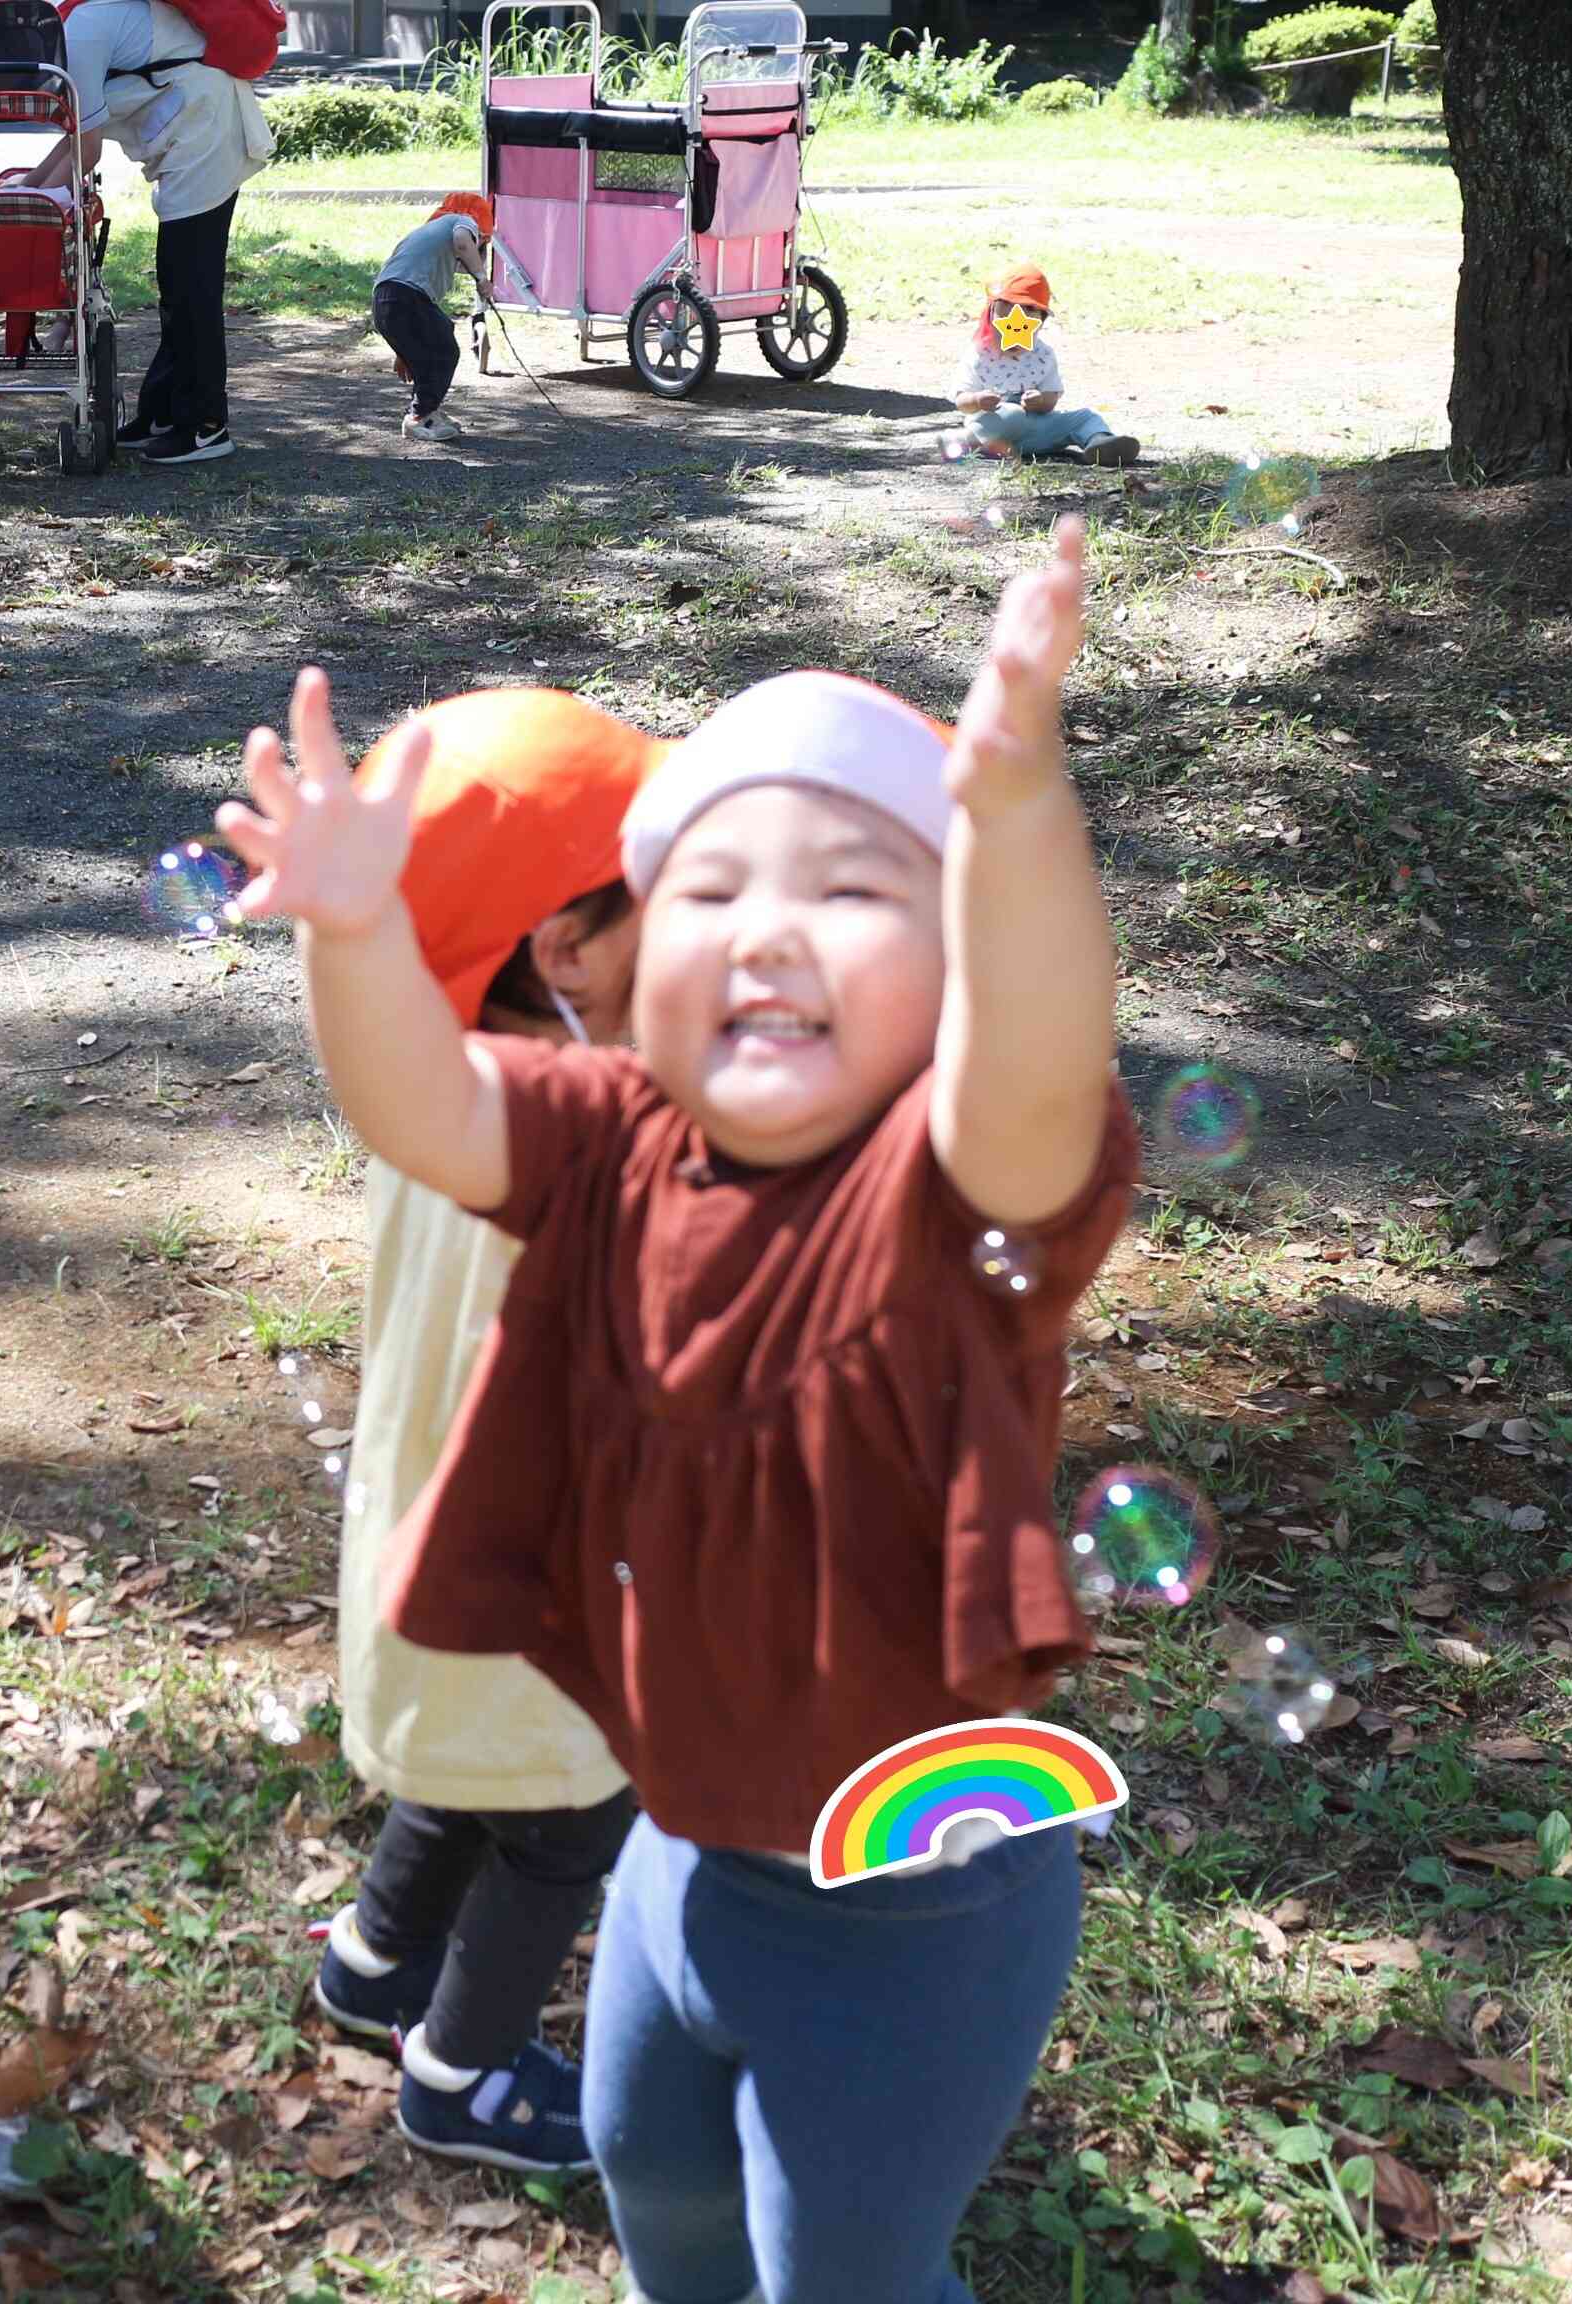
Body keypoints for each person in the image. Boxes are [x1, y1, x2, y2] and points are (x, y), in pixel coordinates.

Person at [215, 517, 1135, 2304]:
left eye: (850, 894)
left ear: (941, 986)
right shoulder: (624, 1139)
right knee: (661, 2190)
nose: (765, 930)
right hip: (686, 1857)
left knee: (840, 2269)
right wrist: (351, 930)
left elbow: (1036, 1061)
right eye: (709, 889)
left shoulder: (949, 1197)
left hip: (913, 1898)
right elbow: (426, 1107)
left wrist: (1014, 813)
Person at [306, 688, 655, 2175]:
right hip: (546, 1583)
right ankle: (464, 2071)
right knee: (568, 1824)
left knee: (471, 1774)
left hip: (427, 1544)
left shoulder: (443, 1096)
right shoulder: (604, 1135)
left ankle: (374, 1965)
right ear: (567, 952)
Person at [29, 0, 273, 466]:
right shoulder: (80, 27)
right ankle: (162, 412)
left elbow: (87, 152)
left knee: (191, 288)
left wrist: (25, 198)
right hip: (193, 131)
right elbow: (77, 138)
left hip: (207, 137)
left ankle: (205, 424)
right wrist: (26, 188)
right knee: (176, 283)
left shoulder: (80, 37)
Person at [954, 264, 1138, 467]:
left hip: (1035, 429)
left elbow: (1051, 399)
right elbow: (961, 400)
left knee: (1085, 417)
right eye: (1005, 326)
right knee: (1012, 414)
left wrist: (1040, 401)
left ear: (1039, 324)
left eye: (1023, 327)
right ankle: (966, 443)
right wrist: (977, 400)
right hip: (993, 427)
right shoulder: (979, 354)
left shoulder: (1043, 355)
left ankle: (1100, 443)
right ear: (990, 318)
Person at [372, 193, 491, 446]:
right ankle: (418, 417)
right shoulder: (462, 221)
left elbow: (396, 283)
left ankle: (428, 411)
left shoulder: (424, 235)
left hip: (387, 299)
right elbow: (462, 241)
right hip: (405, 296)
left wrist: (403, 348)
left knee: (441, 333)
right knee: (445, 351)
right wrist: (481, 277)